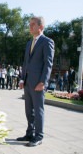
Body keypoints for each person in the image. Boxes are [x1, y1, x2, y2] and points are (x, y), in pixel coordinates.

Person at [17, 16, 55, 147]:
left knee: (38, 111)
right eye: (29, 24)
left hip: (38, 83)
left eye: (33, 24)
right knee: (29, 111)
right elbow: (26, 62)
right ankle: (29, 133)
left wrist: (43, 82)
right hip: (27, 82)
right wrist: (22, 78)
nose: (30, 26)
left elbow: (48, 64)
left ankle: (38, 136)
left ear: (41, 27)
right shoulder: (29, 43)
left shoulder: (47, 42)